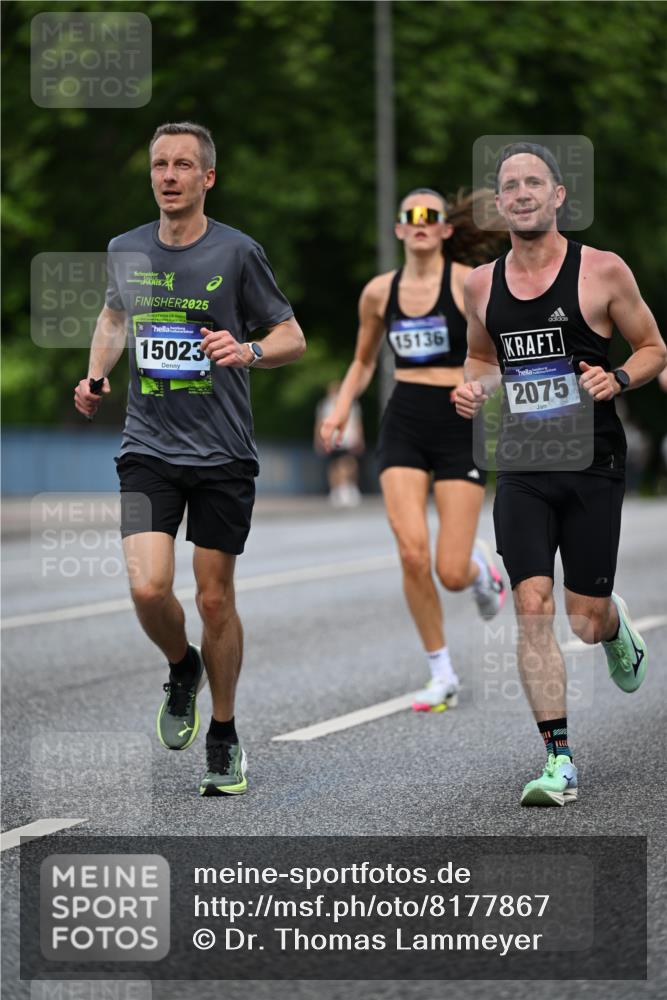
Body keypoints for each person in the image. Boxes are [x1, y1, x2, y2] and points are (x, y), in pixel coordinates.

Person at [74, 122, 306, 796]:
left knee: (213, 597)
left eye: (183, 165)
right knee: (147, 587)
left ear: (207, 178)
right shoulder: (126, 249)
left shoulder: (237, 253)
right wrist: (95, 378)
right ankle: (182, 667)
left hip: (223, 452)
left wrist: (250, 350)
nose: (169, 175)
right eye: (158, 165)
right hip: (148, 444)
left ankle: (225, 733)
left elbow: (290, 335)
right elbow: (115, 317)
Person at [455, 142, 666, 806]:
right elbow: (481, 357)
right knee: (530, 606)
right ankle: (557, 760)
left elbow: (653, 347)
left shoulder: (602, 272)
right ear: (500, 202)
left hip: (592, 463)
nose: (519, 193)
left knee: (583, 618)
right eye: (508, 185)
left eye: (532, 183)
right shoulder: (480, 284)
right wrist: (472, 389)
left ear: (556, 196)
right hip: (520, 464)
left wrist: (619, 376)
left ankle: (613, 625)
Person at [320, 188, 506, 713]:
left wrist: (481, 390)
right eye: (411, 216)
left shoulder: (471, 285)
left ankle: (478, 569)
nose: (421, 222)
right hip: (403, 420)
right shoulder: (379, 292)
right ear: (399, 229)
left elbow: (494, 360)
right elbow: (361, 361)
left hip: (457, 420)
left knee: (448, 571)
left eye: (432, 216)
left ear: (446, 229)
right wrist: (339, 410)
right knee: (410, 551)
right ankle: (441, 671)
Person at [313, 380, 365, 507]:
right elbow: (319, 423)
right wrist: (318, 439)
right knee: (334, 465)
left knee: (349, 463)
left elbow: (357, 422)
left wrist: (359, 438)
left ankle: (349, 487)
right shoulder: (325, 405)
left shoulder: (351, 404)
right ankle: (337, 490)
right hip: (332, 438)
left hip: (347, 439)